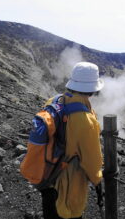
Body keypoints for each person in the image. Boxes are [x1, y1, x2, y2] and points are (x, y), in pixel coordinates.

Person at [41, 62, 104, 219]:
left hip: (46, 176)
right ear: (92, 90)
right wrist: (98, 180)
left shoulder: (53, 101)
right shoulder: (85, 120)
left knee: (49, 212)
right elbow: (92, 162)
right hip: (66, 187)